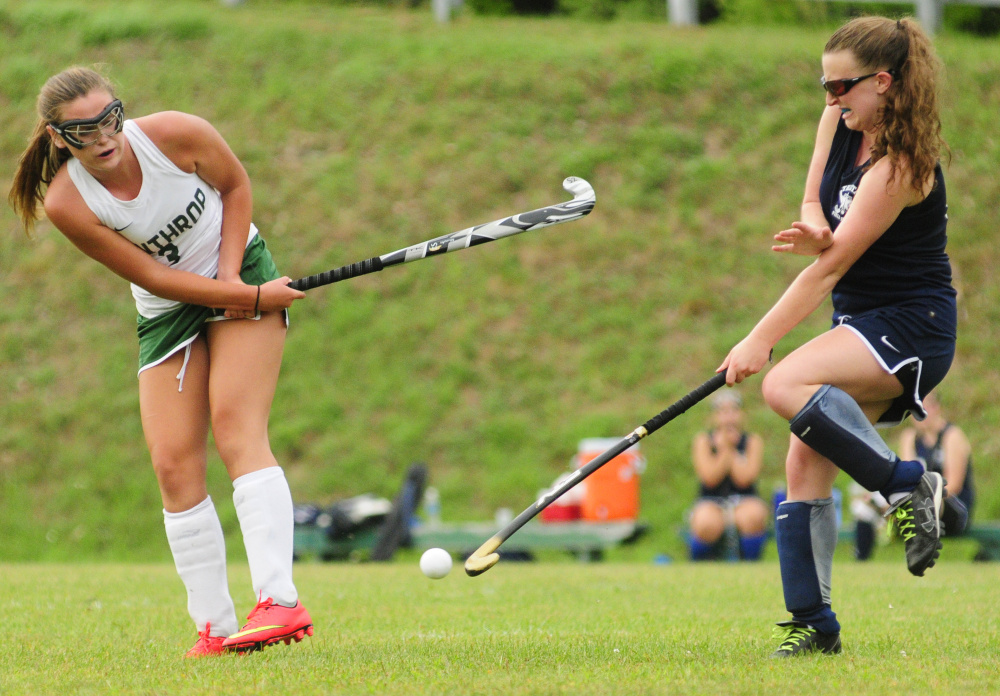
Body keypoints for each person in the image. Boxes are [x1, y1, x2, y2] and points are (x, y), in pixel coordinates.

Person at [8, 66, 312, 657]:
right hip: (168, 307)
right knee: (172, 465)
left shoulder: (175, 133)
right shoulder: (68, 202)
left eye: (110, 119)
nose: (104, 138)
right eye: (84, 131)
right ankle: (216, 629)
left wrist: (236, 281)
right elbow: (153, 276)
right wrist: (244, 298)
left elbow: (236, 186)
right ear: (56, 137)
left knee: (237, 429)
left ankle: (279, 601)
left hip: (239, 267)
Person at [718, 16, 957, 657]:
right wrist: (816, 224)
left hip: (912, 324)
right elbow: (813, 205)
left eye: (841, 87)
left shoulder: (901, 166)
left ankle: (905, 484)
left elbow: (827, 271)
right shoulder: (841, 122)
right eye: (824, 86)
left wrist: (758, 340)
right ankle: (814, 623)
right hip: (859, 322)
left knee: (783, 384)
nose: (830, 99)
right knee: (804, 457)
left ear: (883, 83)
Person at [687, 391, 769, 561]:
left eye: (733, 410)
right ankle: (702, 563)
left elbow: (745, 479)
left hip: (744, 497)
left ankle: (750, 562)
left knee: (753, 517)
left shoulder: (752, 441)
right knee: (706, 523)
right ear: (714, 416)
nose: (728, 417)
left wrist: (730, 449)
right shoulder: (703, 440)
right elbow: (709, 478)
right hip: (711, 499)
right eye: (723, 411)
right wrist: (723, 449)